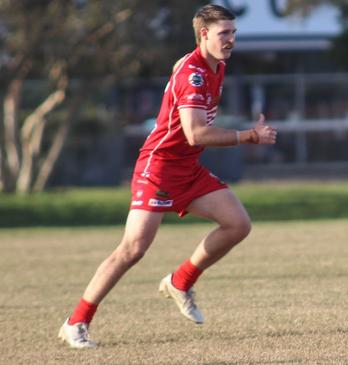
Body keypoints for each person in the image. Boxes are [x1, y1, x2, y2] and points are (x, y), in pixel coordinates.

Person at [58, 4, 277, 349]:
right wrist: (247, 136)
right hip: (159, 168)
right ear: (204, 34)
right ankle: (76, 322)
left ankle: (180, 281)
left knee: (238, 223)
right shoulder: (193, 74)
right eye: (225, 33)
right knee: (132, 249)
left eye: (234, 33)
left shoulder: (214, 65)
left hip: (187, 169)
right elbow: (195, 133)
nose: (232, 40)